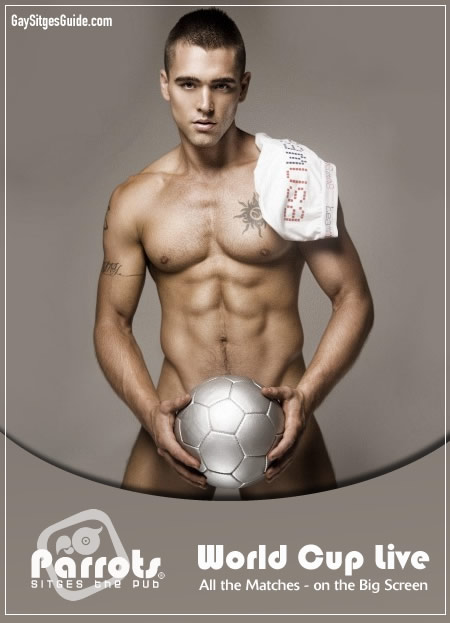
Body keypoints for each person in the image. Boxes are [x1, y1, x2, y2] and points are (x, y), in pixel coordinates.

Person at [94, 8, 374, 500]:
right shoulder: (135, 200)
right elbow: (112, 322)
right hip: (177, 415)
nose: (205, 104)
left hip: (280, 417)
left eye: (221, 86)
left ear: (242, 87)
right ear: (165, 85)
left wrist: (306, 398)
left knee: (307, 551)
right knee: (138, 546)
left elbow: (352, 298)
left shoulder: (292, 180)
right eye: (188, 84)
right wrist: (150, 414)